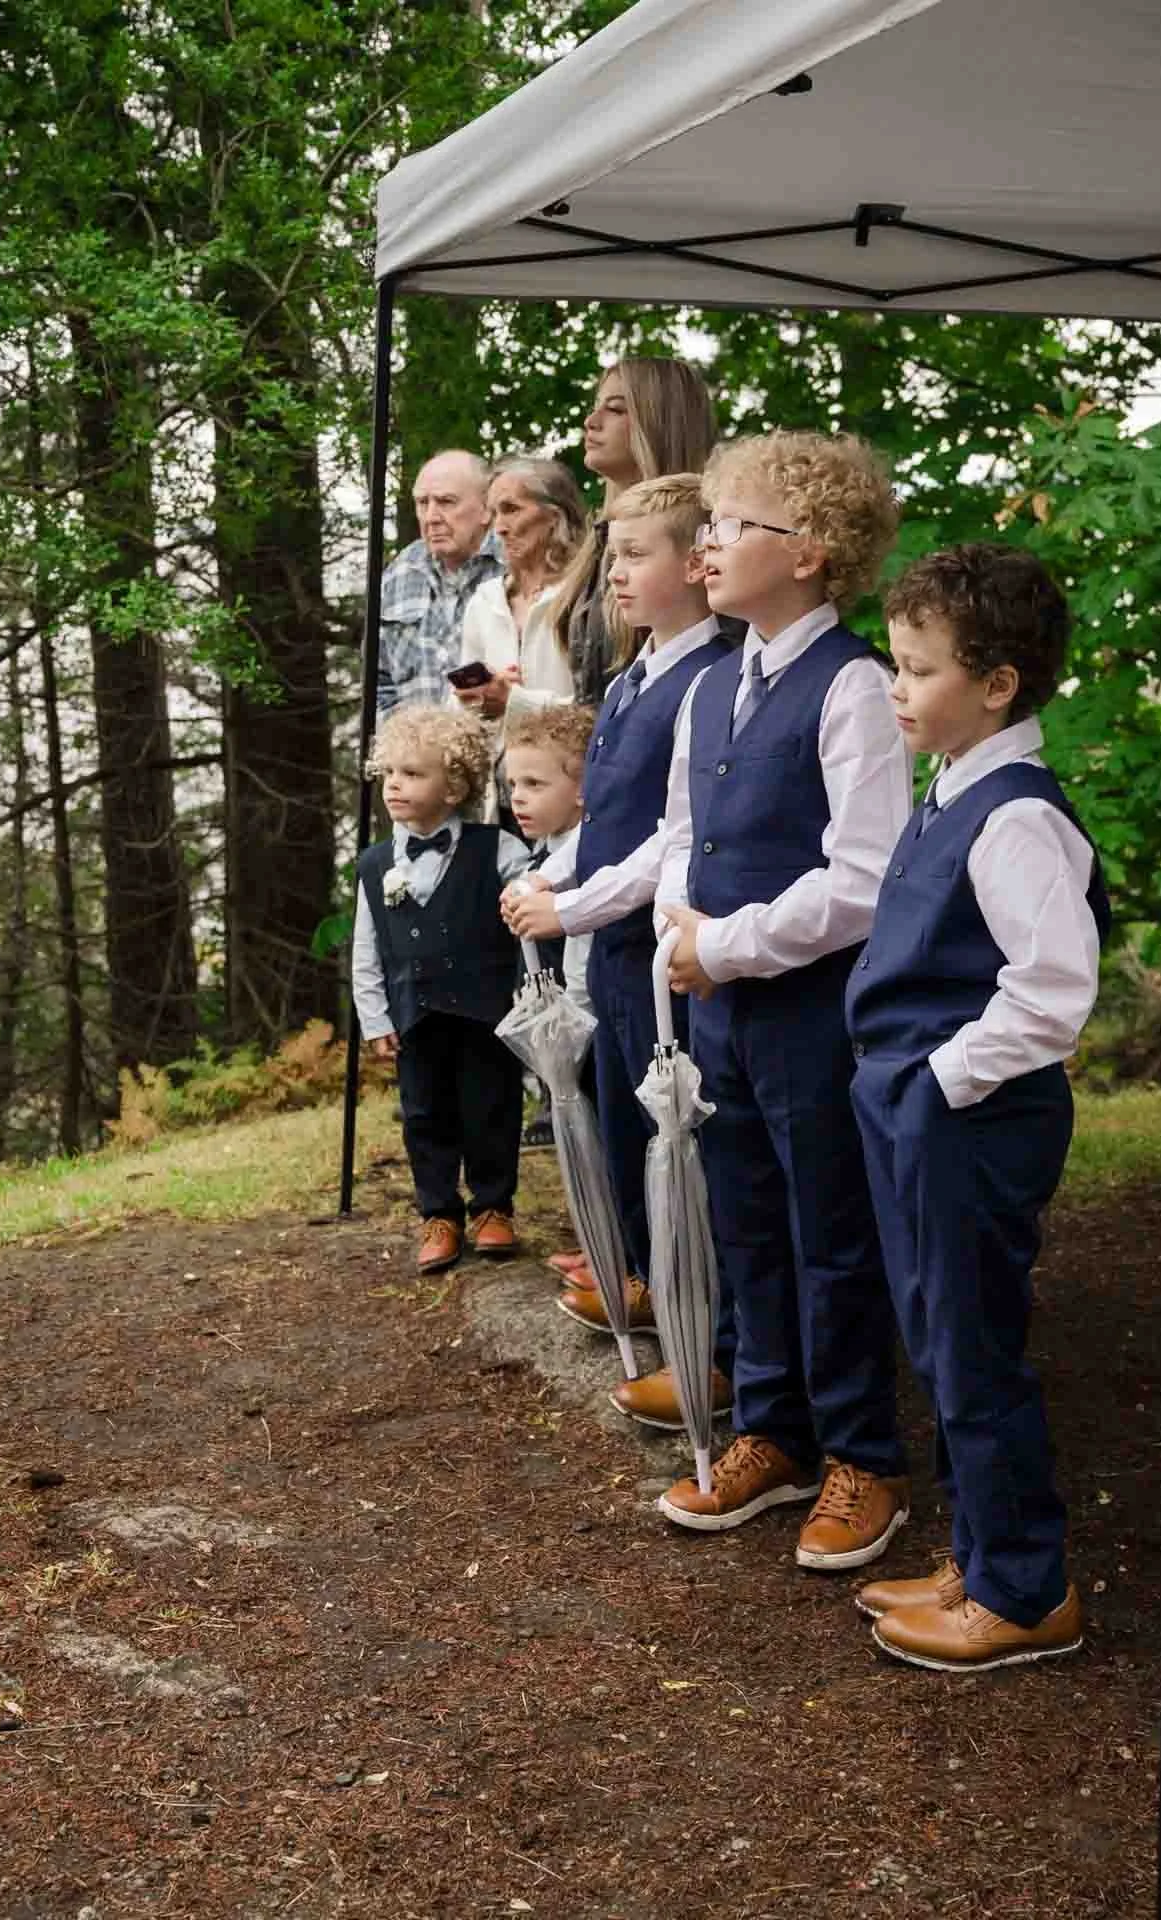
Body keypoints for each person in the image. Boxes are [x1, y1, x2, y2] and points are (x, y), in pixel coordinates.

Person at [847, 544, 1109, 1672]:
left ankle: (1023, 1591)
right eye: (895, 664)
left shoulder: (1016, 818)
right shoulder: (949, 786)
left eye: (918, 669)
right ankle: (976, 1554)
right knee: (935, 1336)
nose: (896, 688)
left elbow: (1051, 992)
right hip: (919, 1110)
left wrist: (936, 1082)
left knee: (974, 1346)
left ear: (996, 683)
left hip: (970, 1116)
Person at [654, 432, 912, 1564]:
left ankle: (863, 1454)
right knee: (746, 1219)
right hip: (717, 1006)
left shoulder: (854, 685)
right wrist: (679, 928)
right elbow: (681, 832)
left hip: (812, 1012)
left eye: (728, 526)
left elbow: (864, 877)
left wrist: (728, 944)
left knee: (830, 1230)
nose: (704, 545)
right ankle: (774, 1429)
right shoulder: (710, 686)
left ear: (807, 553)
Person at [506, 475, 740, 1432]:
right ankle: (650, 1282)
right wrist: (557, 882)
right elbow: (607, 820)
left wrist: (575, 905)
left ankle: (710, 1347)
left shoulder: (710, 677)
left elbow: (670, 838)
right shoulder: (635, 676)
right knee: (620, 1130)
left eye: (637, 554)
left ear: (695, 563)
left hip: (660, 947)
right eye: (613, 555)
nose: (614, 574)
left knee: (680, 1150)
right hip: (609, 947)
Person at [351, 706, 530, 1276]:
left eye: (412, 774)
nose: (394, 785)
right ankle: (439, 1214)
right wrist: (375, 1019)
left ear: (453, 787)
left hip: (486, 1009)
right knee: (424, 1114)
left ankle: (494, 1206)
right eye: (388, 773)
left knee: (491, 1106)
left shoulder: (497, 849)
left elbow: (533, 913)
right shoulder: (375, 865)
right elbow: (366, 949)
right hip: (415, 1014)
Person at [549, 359, 719, 708]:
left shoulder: (709, 535)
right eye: (595, 406)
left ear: (660, 423)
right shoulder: (598, 540)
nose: (591, 421)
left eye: (615, 409)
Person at [453, 458, 588, 823]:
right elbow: (462, 714)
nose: (499, 527)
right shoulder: (485, 601)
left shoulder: (583, 596)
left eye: (511, 509)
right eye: (494, 512)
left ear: (554, 516)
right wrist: (478, 698)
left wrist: (514, 702)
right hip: (498, 804)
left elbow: (600, 706)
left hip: (572, 800)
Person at [377, 451, 500, 714]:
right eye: (423, 503)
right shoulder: (399, 573)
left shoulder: (515, 567)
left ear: (487, 509)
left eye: (446, 502)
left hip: (500, 736)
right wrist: (400, 731)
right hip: (410, 739)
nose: (431, 517)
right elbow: (377, 683)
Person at [503, 704, 597, 1016]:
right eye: (513, 784)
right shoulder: (542, 849)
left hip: (573, 1019)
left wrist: (569, 1025)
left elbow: (580, 965)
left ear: (582, 789)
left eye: (533, 783)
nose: (517, 797)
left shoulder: (585, 862)